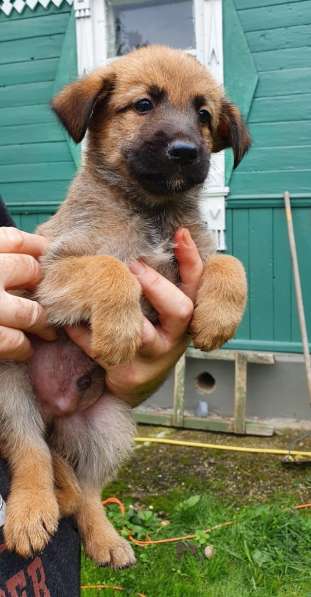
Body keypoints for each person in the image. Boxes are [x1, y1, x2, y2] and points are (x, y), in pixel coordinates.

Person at [0, 199, 203, 595]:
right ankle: (35, 471)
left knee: (106, 427)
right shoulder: (92, 204)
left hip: (49, 573)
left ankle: (88, 497)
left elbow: (29, 278)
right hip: (22, 391)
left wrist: (140, 374)